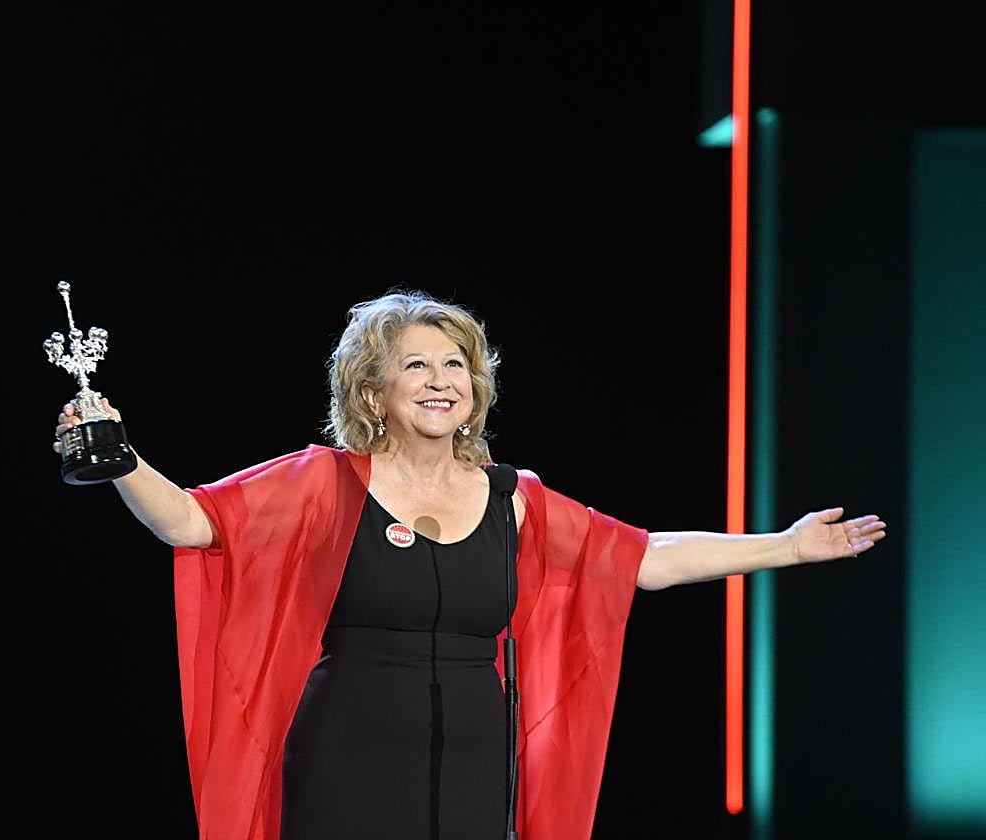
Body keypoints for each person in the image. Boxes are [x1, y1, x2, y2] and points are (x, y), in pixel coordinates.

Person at [52, 290, 886, 840]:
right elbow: (196, 523)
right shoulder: (322, 482)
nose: (442, 379)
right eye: (416, 364)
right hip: (347, 758)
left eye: (456, 364)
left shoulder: (512, 496)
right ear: (374, 391)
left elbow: (644, 557)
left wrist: (784, 546)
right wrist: (120, 455)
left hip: (478, 765)